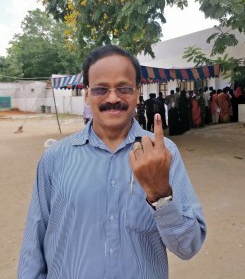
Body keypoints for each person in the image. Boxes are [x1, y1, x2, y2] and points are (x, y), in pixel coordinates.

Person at [18, 45, 206, 279]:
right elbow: (33, 247)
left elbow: (188, 247)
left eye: (124, 88)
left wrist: (160, 195)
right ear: (86, 94)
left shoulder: (164, 154)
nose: (113, 98)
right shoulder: (55, 159)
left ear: (138, 91)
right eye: (100, 89)